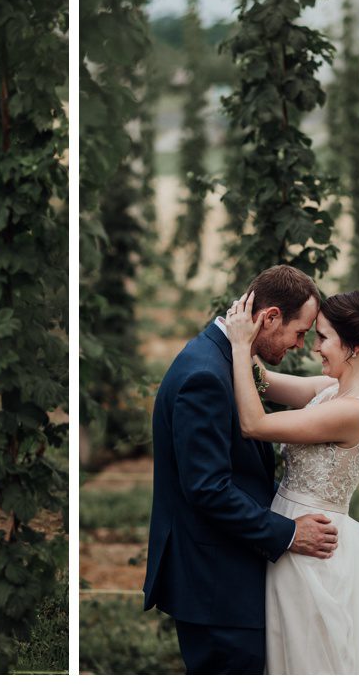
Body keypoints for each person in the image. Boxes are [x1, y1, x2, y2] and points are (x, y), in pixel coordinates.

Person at [142, 265, 340, 674]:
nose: (300, 344)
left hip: (227, 578)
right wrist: (289, 533)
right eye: (299, 332)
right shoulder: (205, 375)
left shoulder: (227, 359)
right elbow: (208, 489)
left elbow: (282, 387)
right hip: (217, 586)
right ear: (269, 317)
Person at [224, 287, 359, 674]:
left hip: (311, 546)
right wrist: (249, 332)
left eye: (322, 338)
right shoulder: (334, 391)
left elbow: (255, 423)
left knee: (308, 659)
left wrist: (238, 348)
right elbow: (263, 380)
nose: (314, 347)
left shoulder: (353, 410)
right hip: (291, 532)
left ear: (353, 346)